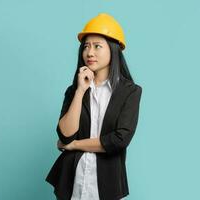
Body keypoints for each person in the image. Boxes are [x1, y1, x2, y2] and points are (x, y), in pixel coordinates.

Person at [45, 13, 142, 200]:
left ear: (113, 50)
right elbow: (65, 134)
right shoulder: (74, 90)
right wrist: (80, 90)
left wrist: (74, 145)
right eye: (86, 46)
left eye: (97, 46)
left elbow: (119, 140)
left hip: (107, 183)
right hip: (71, 180)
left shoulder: (130, 92)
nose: (90, 53)